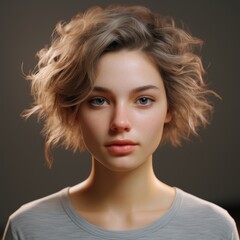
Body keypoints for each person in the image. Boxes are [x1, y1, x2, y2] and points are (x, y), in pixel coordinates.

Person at [3, 4, 239, 240]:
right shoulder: (28, 228)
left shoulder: (214, 228)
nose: (120, 122)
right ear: (74, 109)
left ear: (170, 107)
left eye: (143, 100)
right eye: (99, 101)